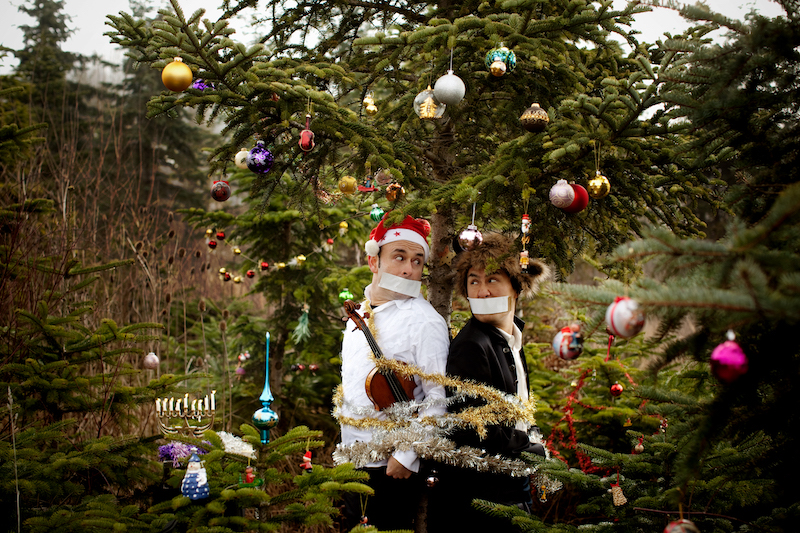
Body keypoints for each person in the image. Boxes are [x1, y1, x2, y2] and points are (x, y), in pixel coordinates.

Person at [430, 233, 549, 533]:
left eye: (492, 279)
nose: (482, 292)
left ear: (516, 287)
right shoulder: (472, 345)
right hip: (482, 500)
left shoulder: (510, 341)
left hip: (509, 488)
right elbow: (475, 427)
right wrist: (532, 449)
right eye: (474, 281)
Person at [338, 214, 450, 531]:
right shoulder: (357, 315)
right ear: (374, 261)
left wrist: (406, 455)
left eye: (417, 261)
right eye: (399, 257)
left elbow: (437, 400)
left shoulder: (425, 322)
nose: (408, 269)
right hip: (352, 460)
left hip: (389, 468)